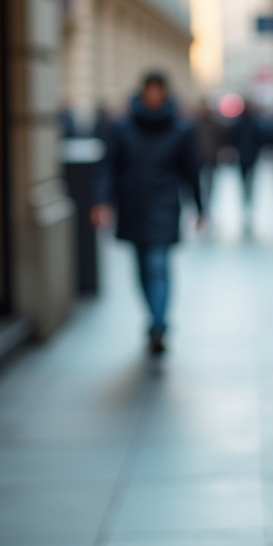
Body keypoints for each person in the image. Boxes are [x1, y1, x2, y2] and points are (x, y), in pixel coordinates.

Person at [92, 71, 204, 355]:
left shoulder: (180, 129)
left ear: (165, 94)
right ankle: (153, 318)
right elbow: (108, 167)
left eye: (159, 91)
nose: (154, 96)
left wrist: (201, 207)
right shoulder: (121, 127)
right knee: (142, 266)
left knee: (158, 263)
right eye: (149, 91)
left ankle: (158, 325)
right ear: (142, 93)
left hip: (164, 204)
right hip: (132, 205)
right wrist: (101, 201)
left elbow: (191, 171)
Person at [192, 97, 225, 214]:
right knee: (199, 183)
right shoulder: (195, 124)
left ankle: (207, 204)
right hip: (198, 158)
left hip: (211, 158)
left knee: (209, 183)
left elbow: (221, 140)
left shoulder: (215, 124)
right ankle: (201, 203)